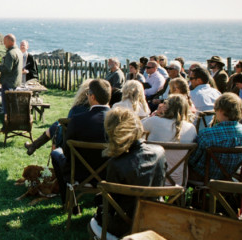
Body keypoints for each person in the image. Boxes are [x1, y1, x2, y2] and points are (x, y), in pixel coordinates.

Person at [95, 107, 166, 237]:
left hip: (125, 228)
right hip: (155, 223)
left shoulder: (116, 164)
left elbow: (110, 207)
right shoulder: (159, 152)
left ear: (112, 133)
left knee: (94, 222)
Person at [51, 79, 111, 204]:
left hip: (80, 174)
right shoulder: (119, 121)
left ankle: (67, 201)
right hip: (110, 174)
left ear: (92, 97)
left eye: (88, 93)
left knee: (56, 153)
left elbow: (67, 153)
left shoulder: (77, 120)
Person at [188, 93, 242, 181]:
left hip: (204, 177)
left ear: (221, 110)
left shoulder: (207, 134)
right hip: (230, 176)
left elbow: (192, 160)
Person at [25, 79, 92, 156]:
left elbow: (67, 130)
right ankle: (33, 146)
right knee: (57, 125)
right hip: (90, 153)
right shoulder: (100, 113)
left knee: (56, 126)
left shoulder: (76, 110)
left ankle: (33, 146)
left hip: (72, 149)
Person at [142, 94, 197, 185]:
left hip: (151, 179)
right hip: (178, 181)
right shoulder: (191, 128)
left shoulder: (154, 121)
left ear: (166, 107)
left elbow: (135, 128)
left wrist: (155, 113)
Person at [0, 34, 23, 115]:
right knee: (12, 104)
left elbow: (7, 69)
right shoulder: (18, 51)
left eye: (5, 42)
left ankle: (7, 123)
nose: (4, 44)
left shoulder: (11, 53)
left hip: (8, 82)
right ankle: (12, 121)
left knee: (7, 105)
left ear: (10, 41)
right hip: (15, 82)